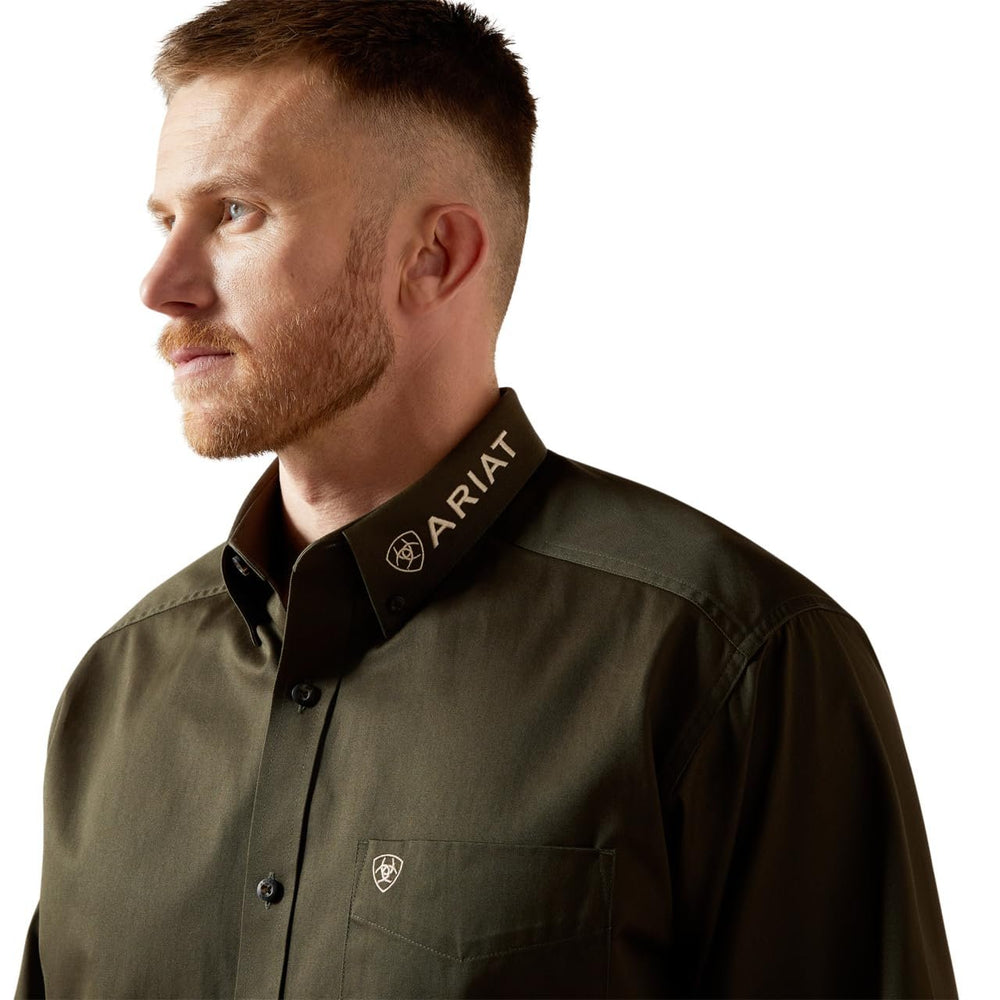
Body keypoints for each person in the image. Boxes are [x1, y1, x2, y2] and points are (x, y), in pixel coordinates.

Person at [17, 1, 958, 997]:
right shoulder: (116, 692)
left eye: (235, 213)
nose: (162, 284)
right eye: (166, 220)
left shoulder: (726, 655)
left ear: (434, 257)